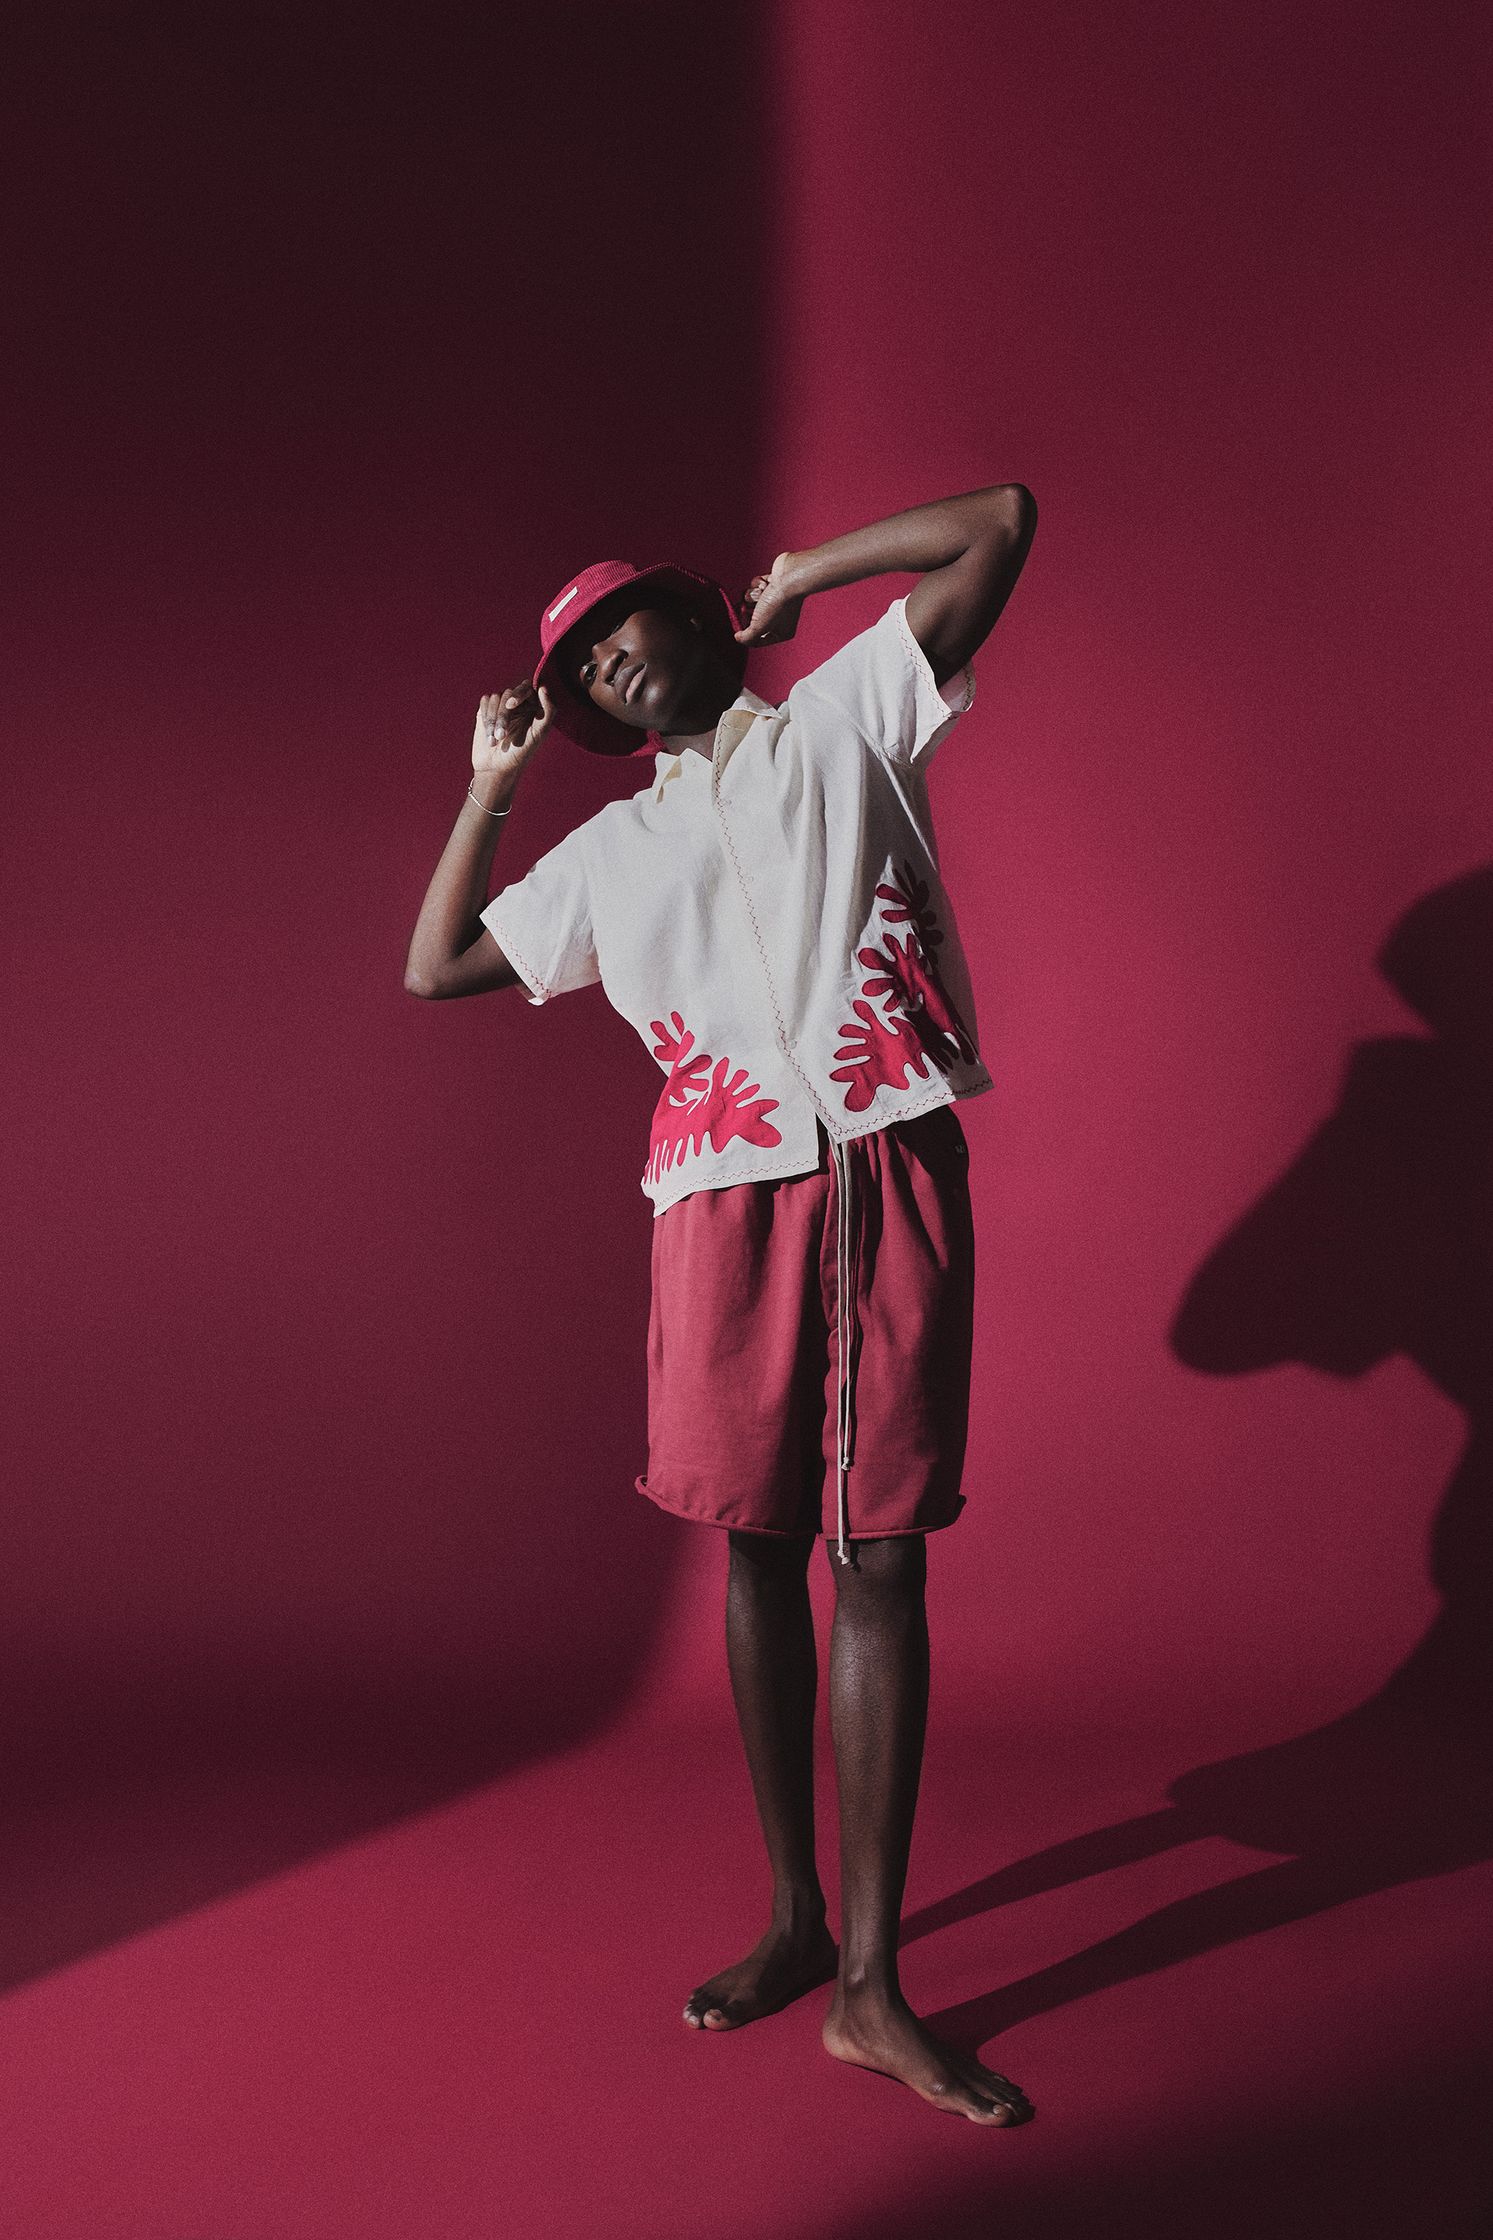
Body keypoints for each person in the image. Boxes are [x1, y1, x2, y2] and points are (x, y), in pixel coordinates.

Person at [405, 484, 1038, 2125]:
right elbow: (439, 963)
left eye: (632, 629)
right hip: (717, 1196)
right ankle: (791, 1922)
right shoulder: (612, 849)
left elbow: (999, 523)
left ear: (696, 623)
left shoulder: (847, 718)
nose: (615, 664)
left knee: (878, 1547)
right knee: (754, 1542)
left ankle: (871, 1987)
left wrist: (809, 579)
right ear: (583, 717)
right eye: (582, 670)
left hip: (883, 1145)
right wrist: (495, 784)